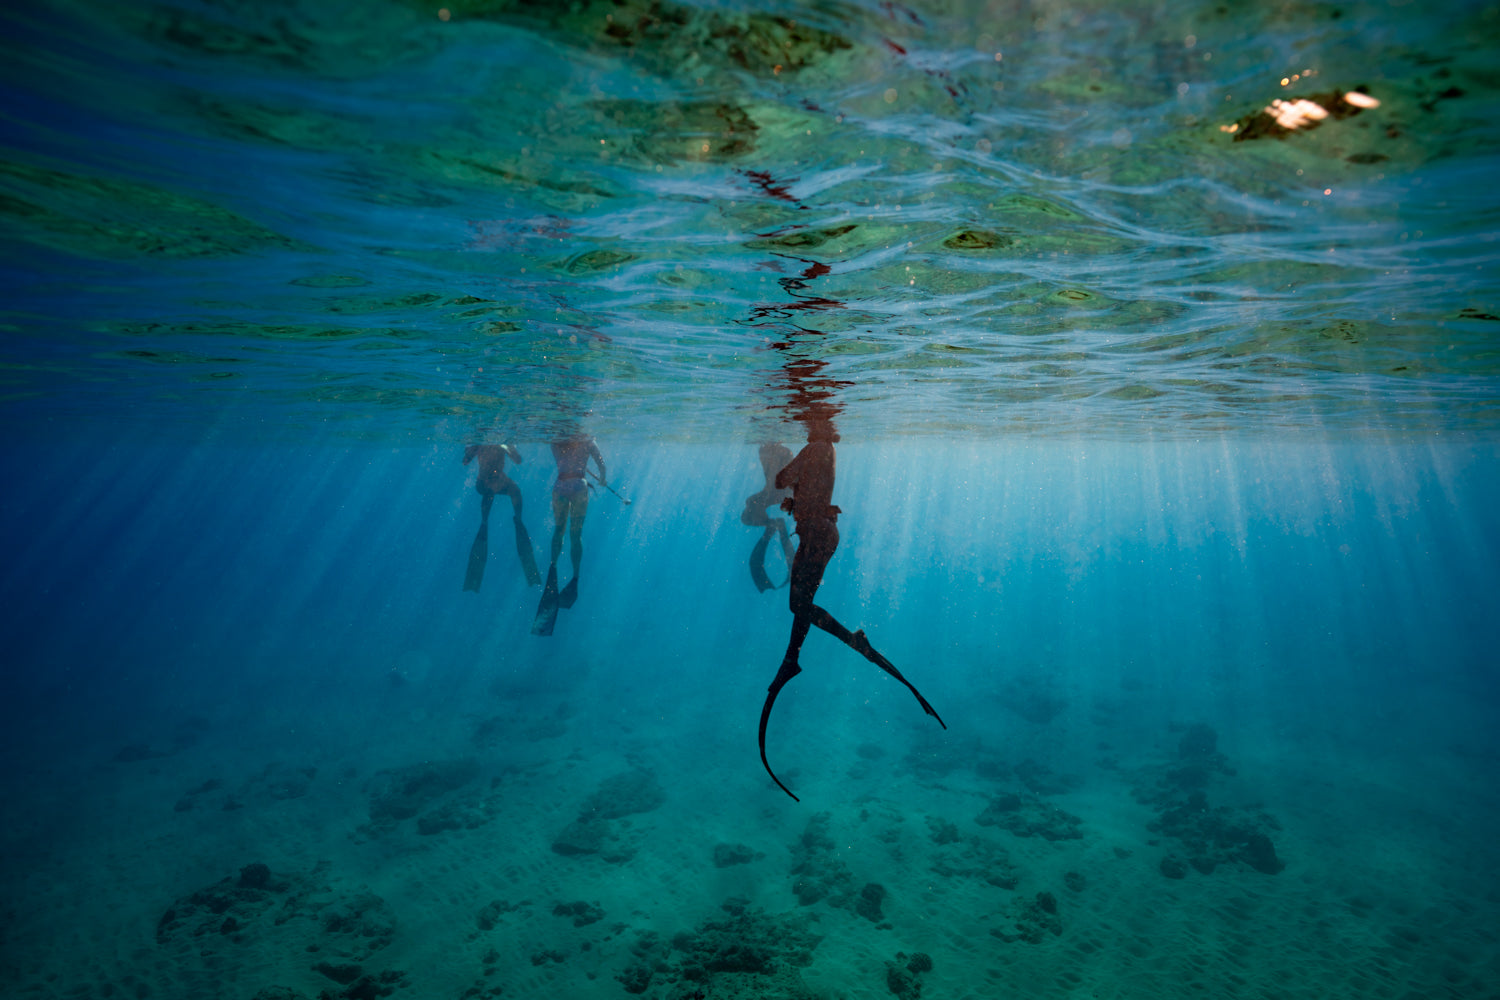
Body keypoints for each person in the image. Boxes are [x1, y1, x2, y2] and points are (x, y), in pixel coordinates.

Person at [758, 414, 945, 800]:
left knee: (798, 603)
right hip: (821, 532)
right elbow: (802, 488)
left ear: (816, 427)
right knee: (801, 603)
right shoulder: (826, 451)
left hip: (815, 532)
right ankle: (795, 658)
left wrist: (781, 471)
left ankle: (848, 644)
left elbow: (780, 480)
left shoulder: (814, 448)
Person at [531, 432, 606, 634]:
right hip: (580, 486)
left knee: (558, 530)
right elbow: (601, 465)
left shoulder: (556, 438)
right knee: (576, 534)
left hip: (560, 485)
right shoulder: (588, 439)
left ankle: (553, 567)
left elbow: (563, 455)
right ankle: (575, 577)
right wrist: (603, 479)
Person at [461, 443, 540, 591]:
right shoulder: (482, 444)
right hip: (484, 482)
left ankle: (517, 520)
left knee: (515, 491)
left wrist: (509, 448)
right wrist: (470, 451)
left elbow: (518, 460)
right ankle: (487, 521)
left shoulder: (501, 444)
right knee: (491, 490)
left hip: (498, 480)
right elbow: (465, 461)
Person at [740, 442, 795, 592]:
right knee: (748, 512)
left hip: (783, 491)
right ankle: (773, 529)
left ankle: (773, 529)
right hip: (780, 491)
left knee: (749, 510)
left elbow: (782, 482)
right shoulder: (775, 450)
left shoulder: (781, 451)